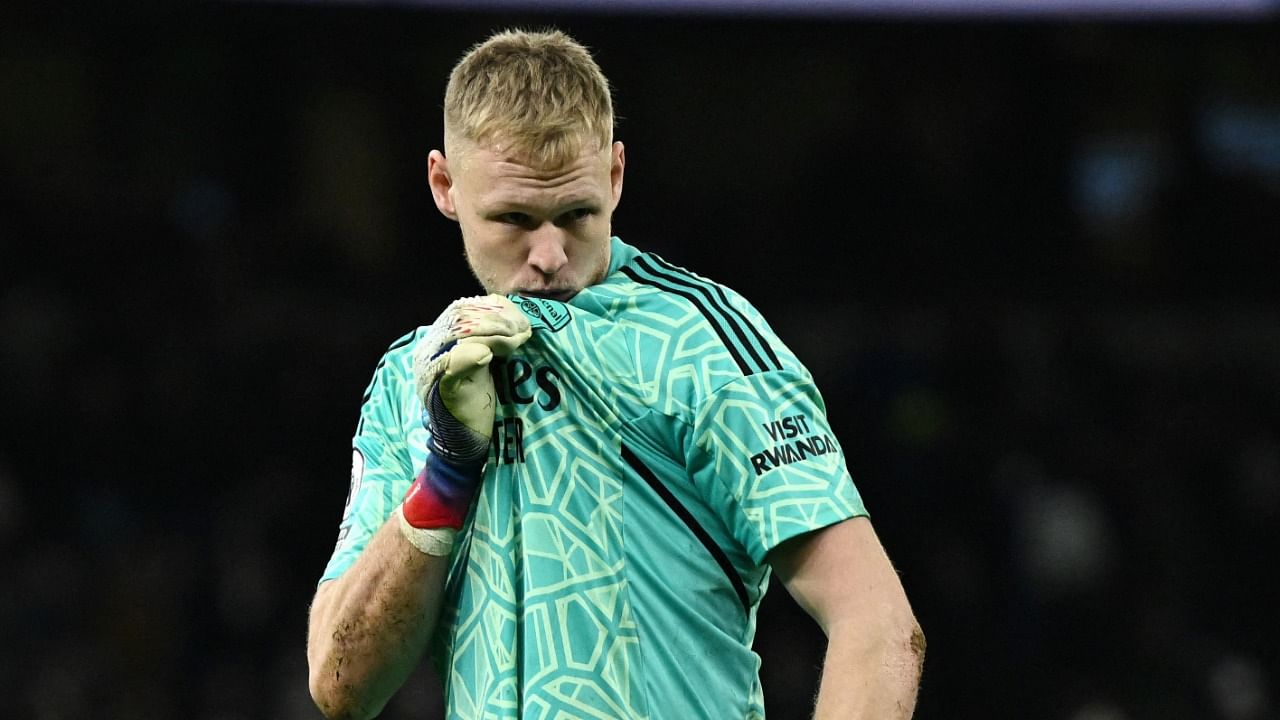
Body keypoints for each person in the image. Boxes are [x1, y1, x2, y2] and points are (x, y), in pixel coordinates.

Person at [306, 28, 924, 720]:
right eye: (513, 218)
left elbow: (879, 628)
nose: (548, 255)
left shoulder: (701, 342)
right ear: (444, 185)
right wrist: (446, 473)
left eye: (576, 215)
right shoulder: (410, 378)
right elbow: (341, 683)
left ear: (616, 175)